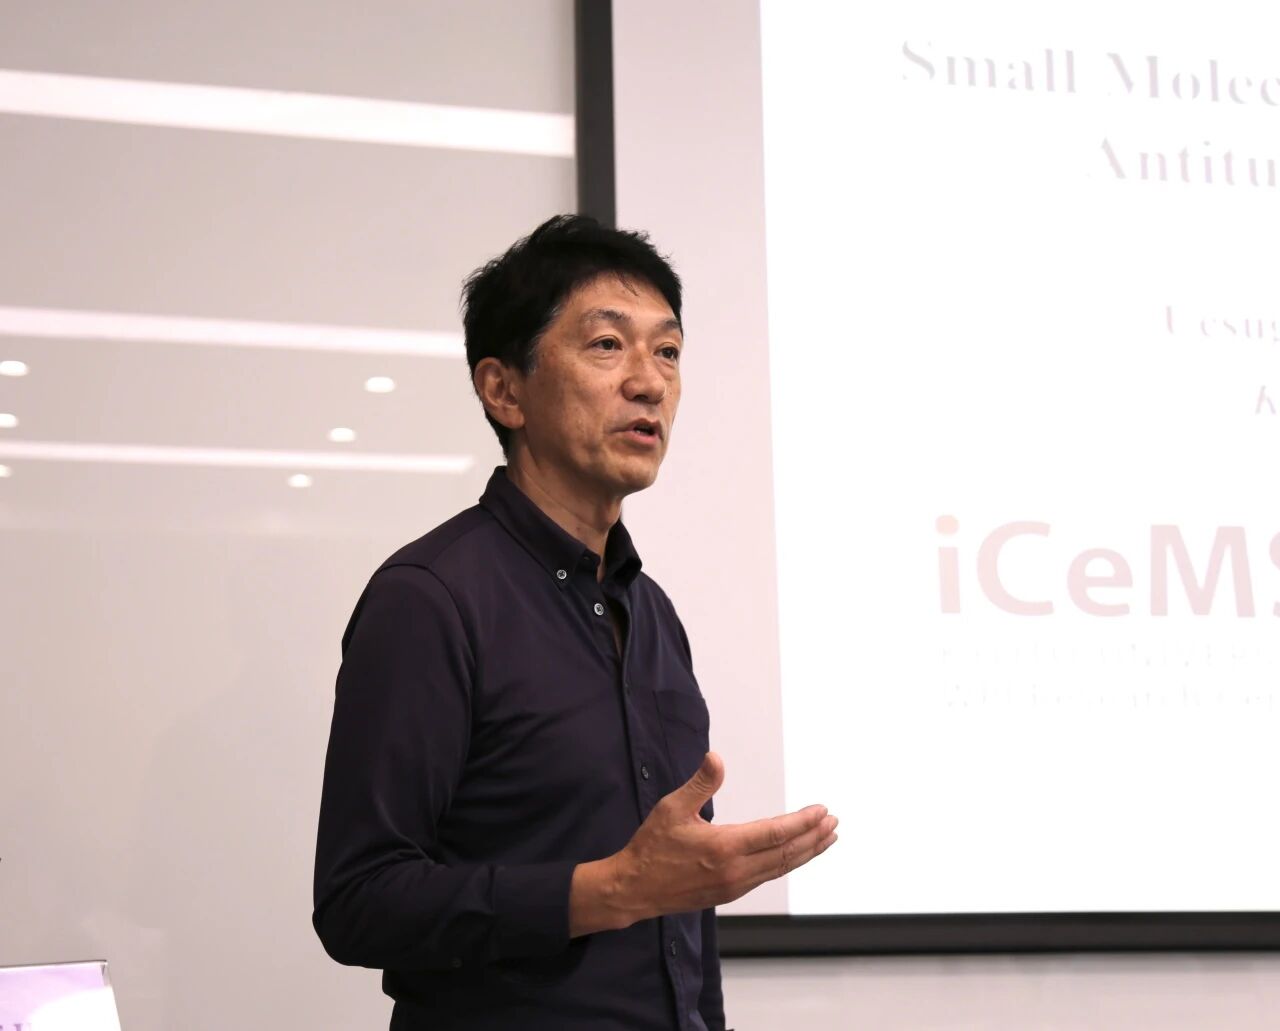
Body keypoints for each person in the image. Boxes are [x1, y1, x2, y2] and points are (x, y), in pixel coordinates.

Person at [312, 214, 838, 1030]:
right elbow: (358, 900)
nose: (649, 382)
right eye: (607, 345)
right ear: (504, 389)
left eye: (668, 351)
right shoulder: (431, 599)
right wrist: (607, 890)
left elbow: (681, 913)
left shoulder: (653, 613)